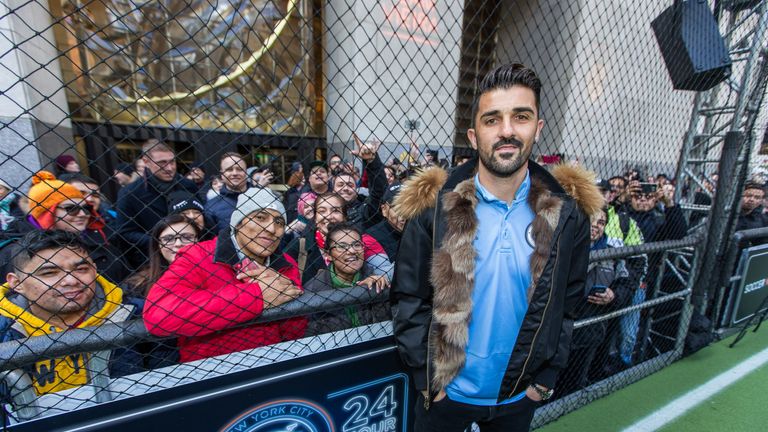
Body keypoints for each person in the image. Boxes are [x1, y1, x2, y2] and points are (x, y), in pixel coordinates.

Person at [391, 63, 602, 431]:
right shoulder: (433, 208)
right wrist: (428, 380)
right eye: (492, 120)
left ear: (537, 128)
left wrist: (544, 379)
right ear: (474, 136)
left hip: (520, 394)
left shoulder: (567, 214)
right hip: (446, 394)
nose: (506, 131)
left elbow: (569, 300)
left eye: (520, 116)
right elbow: (409, 297)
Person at [0, 230, 176, 398]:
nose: (71, 280)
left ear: (94, 268)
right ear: (17, 283)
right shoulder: (5, 329)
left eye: (81, 269)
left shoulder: (139, 313)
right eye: (49, 273)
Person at [144, 187, 307, 363]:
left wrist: (284, 296)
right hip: (213, 374)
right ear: (238, 223)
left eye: (279, 222)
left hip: (274, 363)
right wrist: (256, 296)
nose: (271, 228)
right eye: (260, 217)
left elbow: (293, 332)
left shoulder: (286, 263)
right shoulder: (197, 256)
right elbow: (158, 314)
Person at [556, 208, 632, 398]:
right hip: (558, 328)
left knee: (575, 383)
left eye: (601, 222)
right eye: (592, 220)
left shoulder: (613, 254)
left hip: (590, 328)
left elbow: (626, 284)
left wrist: (613, 296)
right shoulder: (562, 246)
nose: (595, 226)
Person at [116, 139, 197, 268]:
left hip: (190, 256)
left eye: (172, 161)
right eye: (162, 163)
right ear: (146, 162)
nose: (169, 168)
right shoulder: (129, 193)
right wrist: (162, 241)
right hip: (151, 262)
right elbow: (125, 232)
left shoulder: (188, 186)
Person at [285, 192, 393, 285]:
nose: (329, 216)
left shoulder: (359, 242)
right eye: (322, 211)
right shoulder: (300, 246)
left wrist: (375, 277)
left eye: (335, 210)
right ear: (315, 217)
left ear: (345, 217)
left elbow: (376, 272)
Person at [303, 222, 390, 336]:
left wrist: (378, 290)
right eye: (342, 246)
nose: (352, 251)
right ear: (328, 255)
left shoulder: (376, 280)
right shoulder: (312, 291)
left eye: (357, 244)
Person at [122, 214, 201, 298]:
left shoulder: (214, 273)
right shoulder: (137, 287)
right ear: (158, 245)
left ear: (199, 241)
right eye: (168, 239)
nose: (178, 244)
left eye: (187, 237)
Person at [331, 135, 388, 229]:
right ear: (333, 190)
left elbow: (379, 192)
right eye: (340, 185)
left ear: (356, 190)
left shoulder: (365, 211)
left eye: (350, 185)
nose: (345, 188)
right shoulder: (325, 210)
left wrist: (371, 161)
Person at [205, 152, 251, 233]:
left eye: (239, 169)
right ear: (222, 174)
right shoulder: (211, 207)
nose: (235, 173)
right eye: (229, 169)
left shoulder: (263, 198)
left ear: (246, 173)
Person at [366, 184, 404, 260]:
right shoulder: (371, 238)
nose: (404, 214)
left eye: (409, 207)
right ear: (384, 210)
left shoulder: (423, 230)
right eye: (397, 208)